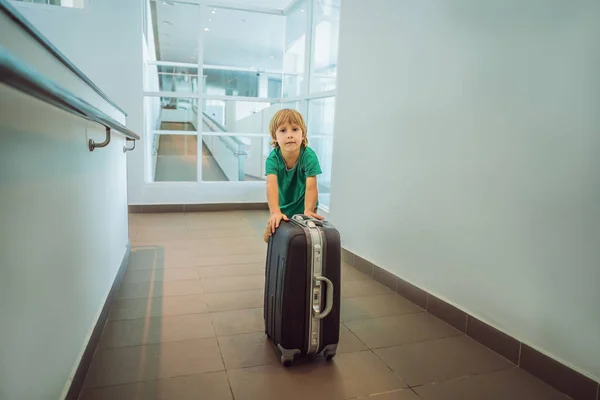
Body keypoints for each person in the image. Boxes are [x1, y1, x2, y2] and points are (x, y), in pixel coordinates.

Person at [264, 108, 324, 242]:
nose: (289, 135)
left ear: (303, 134)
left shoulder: (309, 156)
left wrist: (308, 210)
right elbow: (271, 185)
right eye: (283, 130)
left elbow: (311, 186)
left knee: (304, 239)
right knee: (276, 237)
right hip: (282, 205)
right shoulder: (272, 159)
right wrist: (275, 212)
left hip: (305, 204)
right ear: (274, 137)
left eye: (295, 129)